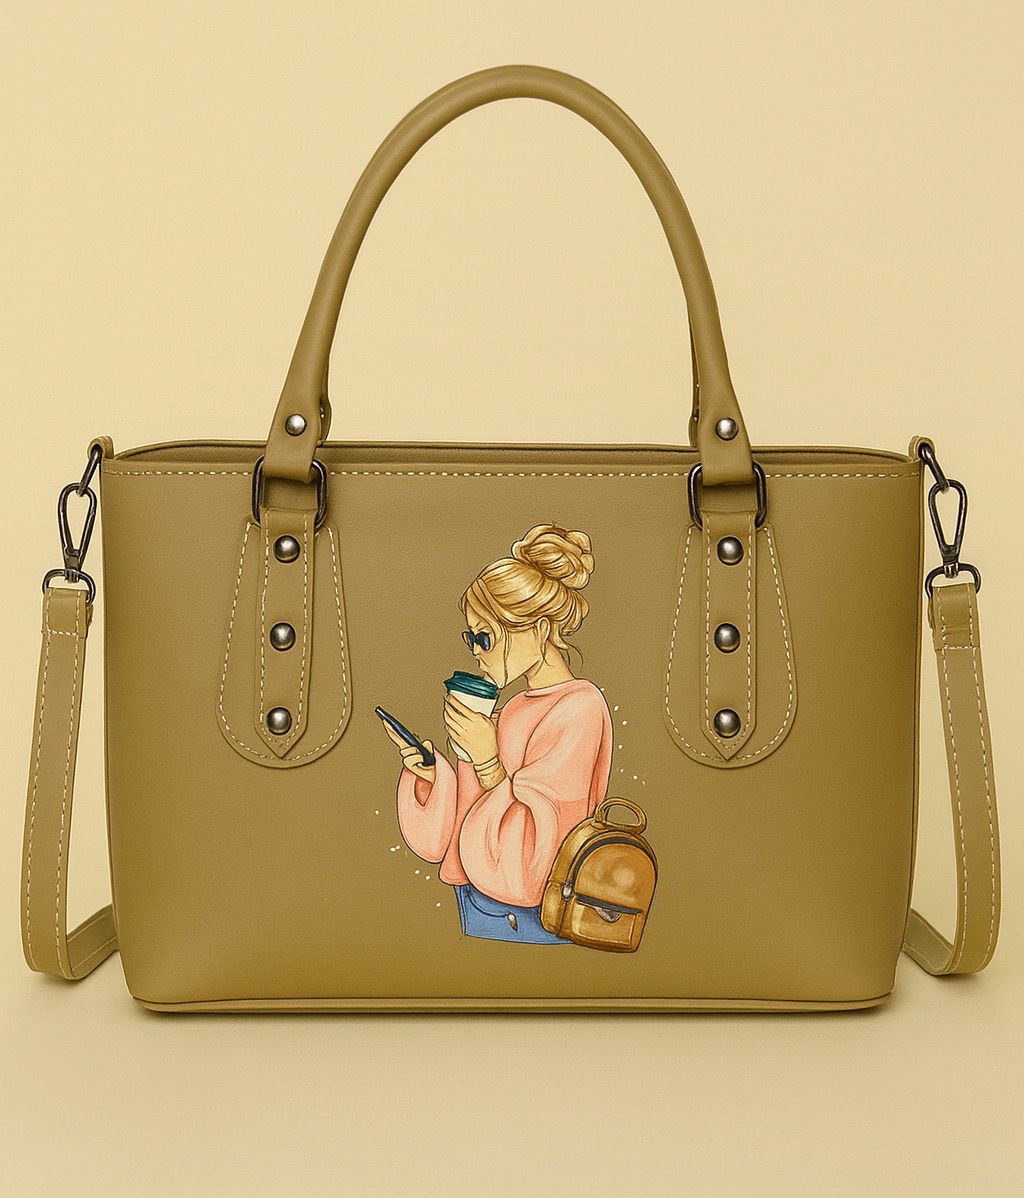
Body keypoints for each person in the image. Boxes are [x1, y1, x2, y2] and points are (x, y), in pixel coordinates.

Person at [382, 523, 613, 943]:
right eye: (470, 637)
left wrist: (487, 760)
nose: (475, 650)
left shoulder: (580, 708)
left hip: (529, 918)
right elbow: (465, 823)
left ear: (539, 629)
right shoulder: (510, 710)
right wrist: (433, 777)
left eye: (485, 636)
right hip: (475, 903)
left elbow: (538, 854)